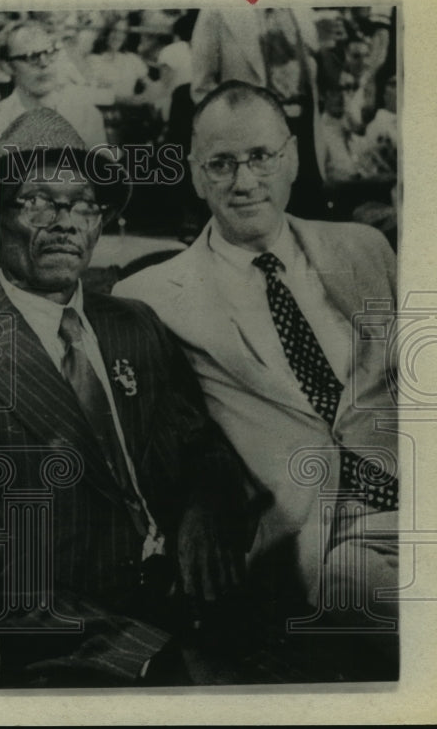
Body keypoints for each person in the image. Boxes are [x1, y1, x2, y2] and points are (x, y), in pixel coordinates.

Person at [0, 107, 252, 687]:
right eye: (36, 201)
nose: (65, 222)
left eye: (83, 204)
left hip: (195, 597)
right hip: (77, 641)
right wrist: (145, 655)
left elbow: (202, 445)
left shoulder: (136, 324)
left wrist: (205, 511)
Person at [113, 82, 398, 670]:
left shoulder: (367, 249)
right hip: (319, 534)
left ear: (291, 157)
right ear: (194, 173)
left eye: (261, 158)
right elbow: (153, 433)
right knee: (364, 583)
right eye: (221, 164)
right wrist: (201, 497)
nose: (244, 183)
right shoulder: (151, 298)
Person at [190, 7, 327, 219]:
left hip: (303, 135)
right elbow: (202, 88)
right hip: (250, 143)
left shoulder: (301, 7)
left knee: (308, 219)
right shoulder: (217, 10)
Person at [0, 20, 110, 157]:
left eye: (49, 53)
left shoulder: (87, 116)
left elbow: (101, 177)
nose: (43, 63)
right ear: (7, 66)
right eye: (31, 57)